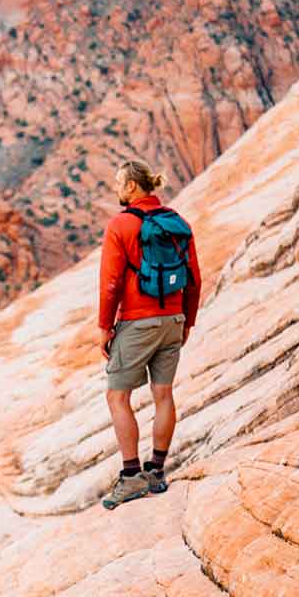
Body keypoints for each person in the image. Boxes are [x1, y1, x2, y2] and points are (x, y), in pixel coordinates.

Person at [98, 159, 201, 509]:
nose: (115, 189)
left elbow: (111, 284)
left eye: (118, 182)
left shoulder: (121, 226)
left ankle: (130, 478)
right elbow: (194, 277)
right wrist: (187, 321)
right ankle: (156, 471)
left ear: (131, 187)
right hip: (173, 317)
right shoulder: (177, 223)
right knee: (163, 394)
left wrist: (104, 327)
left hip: (137, 321)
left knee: (117, 397)